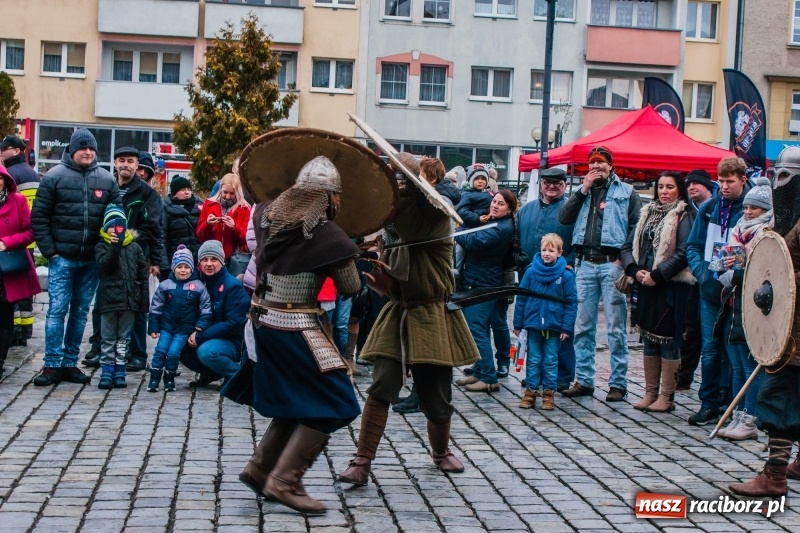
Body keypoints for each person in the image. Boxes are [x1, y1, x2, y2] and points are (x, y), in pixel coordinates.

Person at [224, 156, 363, 514]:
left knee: (299, 398)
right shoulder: (329, 235)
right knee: (337, 402)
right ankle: (286, 480)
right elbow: (350, 286)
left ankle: (260, 467)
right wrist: (353, 258)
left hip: (261, 319)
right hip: (295, 325)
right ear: (329, 197)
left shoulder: (266, 214)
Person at [338, 153, 480, 486]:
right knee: (381, 387)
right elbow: (390, 270)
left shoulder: (434, 213)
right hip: (399, 310)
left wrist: (403, 184)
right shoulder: (394, 224)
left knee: (436, 393)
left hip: (432, 314)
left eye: (400, 181)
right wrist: (377, 270)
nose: (395, 188)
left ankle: (441, 452)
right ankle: (362, 460)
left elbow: (410, 224)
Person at [31, 128, 121, 386]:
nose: (88, 152)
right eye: (83, 148)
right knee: (57, 311)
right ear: (72, 150)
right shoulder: (54, 177)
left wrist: (105, 249)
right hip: (62, 257)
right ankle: (51, 364)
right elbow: (39, 217)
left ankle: (70, 362)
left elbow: (117, 216)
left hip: (91, 260)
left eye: (91, 148)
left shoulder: (107, 180)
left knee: (80, 312)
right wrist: (51, 252)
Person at [558, 146, 642, 401]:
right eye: (592, 163)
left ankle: (618, 383)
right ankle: (584, 380)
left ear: (610, 165)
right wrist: (582, 189)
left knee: (616, 327)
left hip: (611, 263)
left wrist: (622, 259)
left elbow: (636, 227)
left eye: (601, 162)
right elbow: (564, 218)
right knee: (583, 326)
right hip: (585, 263)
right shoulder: (583, 191)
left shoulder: (626, 191)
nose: (596, 167)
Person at [83, 147, 165, 373]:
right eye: (121, 160)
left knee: (136, 305)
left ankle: (137, 353)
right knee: (103, 303)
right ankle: (99, 348)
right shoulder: (107, 187)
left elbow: (153, 228)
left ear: (137, 165)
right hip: (108, 254)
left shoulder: (147, 194)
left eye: (130, 161)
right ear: (115, 163)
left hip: (136, 256)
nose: (126, 164)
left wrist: (154, 259)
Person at [620, 171, 694, 413]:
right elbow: (626, 247)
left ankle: (666, 396)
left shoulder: (684, 215)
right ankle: (650, 392)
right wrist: (634, 270)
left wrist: (657, 274)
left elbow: (684, 252)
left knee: (668, 340)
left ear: (679, 189)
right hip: (644, 282)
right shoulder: (647, 212)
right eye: (660, 186)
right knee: (648, 338)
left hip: (669, 285)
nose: (664, 191)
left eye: (669, 187)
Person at [686, 157, 751, 425]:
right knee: (711, 350)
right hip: (711, 291)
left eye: (730, 181)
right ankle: (709, 403)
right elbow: (693, 245)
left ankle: (733, 404)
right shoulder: (710, 207)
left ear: (743, 180)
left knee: (733, 351)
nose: (724, 186)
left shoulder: (751, 208)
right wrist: (701, 273)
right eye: (721, 181)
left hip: (738, 292)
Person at [713, 178, 773, 440]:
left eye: (754, 208)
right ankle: (737, 415)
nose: (748, 212)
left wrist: (736, 275)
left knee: (749, 367)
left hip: (753, 305)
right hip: (733, 303)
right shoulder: (738, 230)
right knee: (736, 365)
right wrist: (722, 266)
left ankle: (750, 417)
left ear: (766, 210)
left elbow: (765, 271)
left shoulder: (767, 233)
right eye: (746, 207)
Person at [517, 167, 576, 391]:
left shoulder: (570, 209)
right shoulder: (526, 209)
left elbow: (577, 239)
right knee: (534, 326)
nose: (551, 186)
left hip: (560, 276)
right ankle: (536, 374)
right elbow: (517, 237)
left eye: (557, 183)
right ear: (541, 184)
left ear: (564, 186)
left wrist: (569, 262)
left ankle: (562, 374)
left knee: (559, 326)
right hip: (532, 274)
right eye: (547, 182)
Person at [454, 189, 516, 392]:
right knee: (480, 328)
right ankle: (480, 371)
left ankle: (489, 377)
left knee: (475, 328)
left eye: (501, 204)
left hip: (484, 283)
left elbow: (472, 241)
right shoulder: (494, 222)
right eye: (494, 202)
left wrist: (460, 228)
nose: (495, 206)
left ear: (509, 209)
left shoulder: (501, 228)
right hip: (477, 280)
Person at [513, 233, 577, 410]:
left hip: (554, 325)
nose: (546, 253)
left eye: (551, 250)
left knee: (550, 360)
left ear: (559, 252)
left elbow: (571, 303)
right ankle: (531, 391)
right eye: (544, 250)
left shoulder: (566, 275)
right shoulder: (531, 271)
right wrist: (518, 323)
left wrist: (567, 327)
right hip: (533, 324)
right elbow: (521, 298)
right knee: (533, 359)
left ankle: (549, 393)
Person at [179, 240, 249, 387]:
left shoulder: (233, 286)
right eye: (205, 260)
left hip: (231, 340)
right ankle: (211, 372)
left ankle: (238, 376)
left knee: (207, 352)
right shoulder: (197, 281)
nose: (209, 264)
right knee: (176, 344)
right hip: (206, 333)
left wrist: (201, 336)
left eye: (214, 259)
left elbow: (233, 323)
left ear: (222, 261)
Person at [94, 205, 149, 390]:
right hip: (108, 302)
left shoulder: (135, 247)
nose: (114, 229)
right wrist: (115, 246)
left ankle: (119, 370)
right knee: (108, 338)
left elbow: (142, 275)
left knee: (123, 339)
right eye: (110, 226)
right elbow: (104, 266)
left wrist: (143, 302)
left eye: (117, 226)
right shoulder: (101, 246)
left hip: (129, 301)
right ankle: (107, 370)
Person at [148, 245, 212, 392]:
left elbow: (205, 308)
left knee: (173, 353)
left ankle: (169, 379)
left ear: (192, 268)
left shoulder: (198, 287)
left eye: (186, 267)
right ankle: (154, 378)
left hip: (184, 329)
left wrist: (201, 324)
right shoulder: (165, 285)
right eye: (179, 267)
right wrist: (154, 327)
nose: (183, 270)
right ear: (173, 268)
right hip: (167, 326)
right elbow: (156, 307)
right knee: (160, 350)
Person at [0, 165, 41, 377]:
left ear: (5, 180)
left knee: (4, 316)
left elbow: (31, 232)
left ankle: (0, 359)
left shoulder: (18, 201)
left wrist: (6, 243)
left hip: (7, 268)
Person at [677, 170, 714, 390]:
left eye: (695, 184)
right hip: (692, 277)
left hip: (715, 278)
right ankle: (684, 376)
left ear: (707, 186)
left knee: (711, 335)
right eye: (688, 184)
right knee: (690, 329)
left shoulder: (717, 207)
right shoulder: (686, 210)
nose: (691, 187)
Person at [196, 173, 251, 261]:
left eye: (232, 193)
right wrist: (207, 224)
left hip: (235, 259)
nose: (228, 197)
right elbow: (200, 236)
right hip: (212, 257)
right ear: (220, 189)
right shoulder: (209, 205)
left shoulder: (245, 208)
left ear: (238, 192)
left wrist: (235, 227)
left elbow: (248, 239)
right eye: (225, 192)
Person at [162, 175, 203, 269]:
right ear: (174, 193)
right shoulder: (166, 209)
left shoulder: (200, 206)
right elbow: (162, 238)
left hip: (198, 261)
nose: (187, 192)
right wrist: (165, 266)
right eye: (182, 189)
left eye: (189, 189)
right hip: (177, 262)